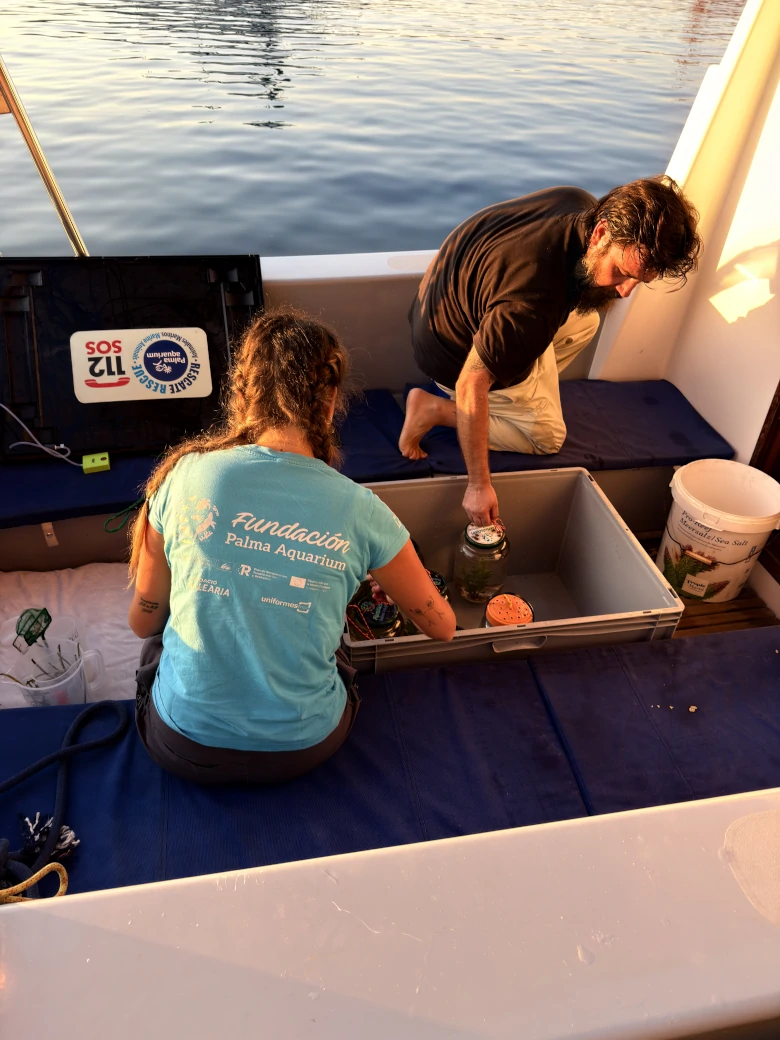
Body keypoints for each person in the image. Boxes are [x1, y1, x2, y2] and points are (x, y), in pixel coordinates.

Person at [128, 309, 456, 786]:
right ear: (330, 402)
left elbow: (143, 622)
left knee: (162, 640)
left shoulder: (183, 476)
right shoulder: (361, 508)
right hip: (305, 747)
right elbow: (442, 627)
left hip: (181, 745)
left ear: (241, 395)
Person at [399, 176, 701, 526]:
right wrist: (479, 485)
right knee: (547, 436)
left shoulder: (577, 202)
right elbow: (471, 383)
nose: (625, 291)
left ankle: (523, 394)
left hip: (439, 315)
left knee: (586, 322)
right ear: (601, 233)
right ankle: (434, 409)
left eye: (639, 280)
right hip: (454, 361)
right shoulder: (533, 303)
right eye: (621, 272)